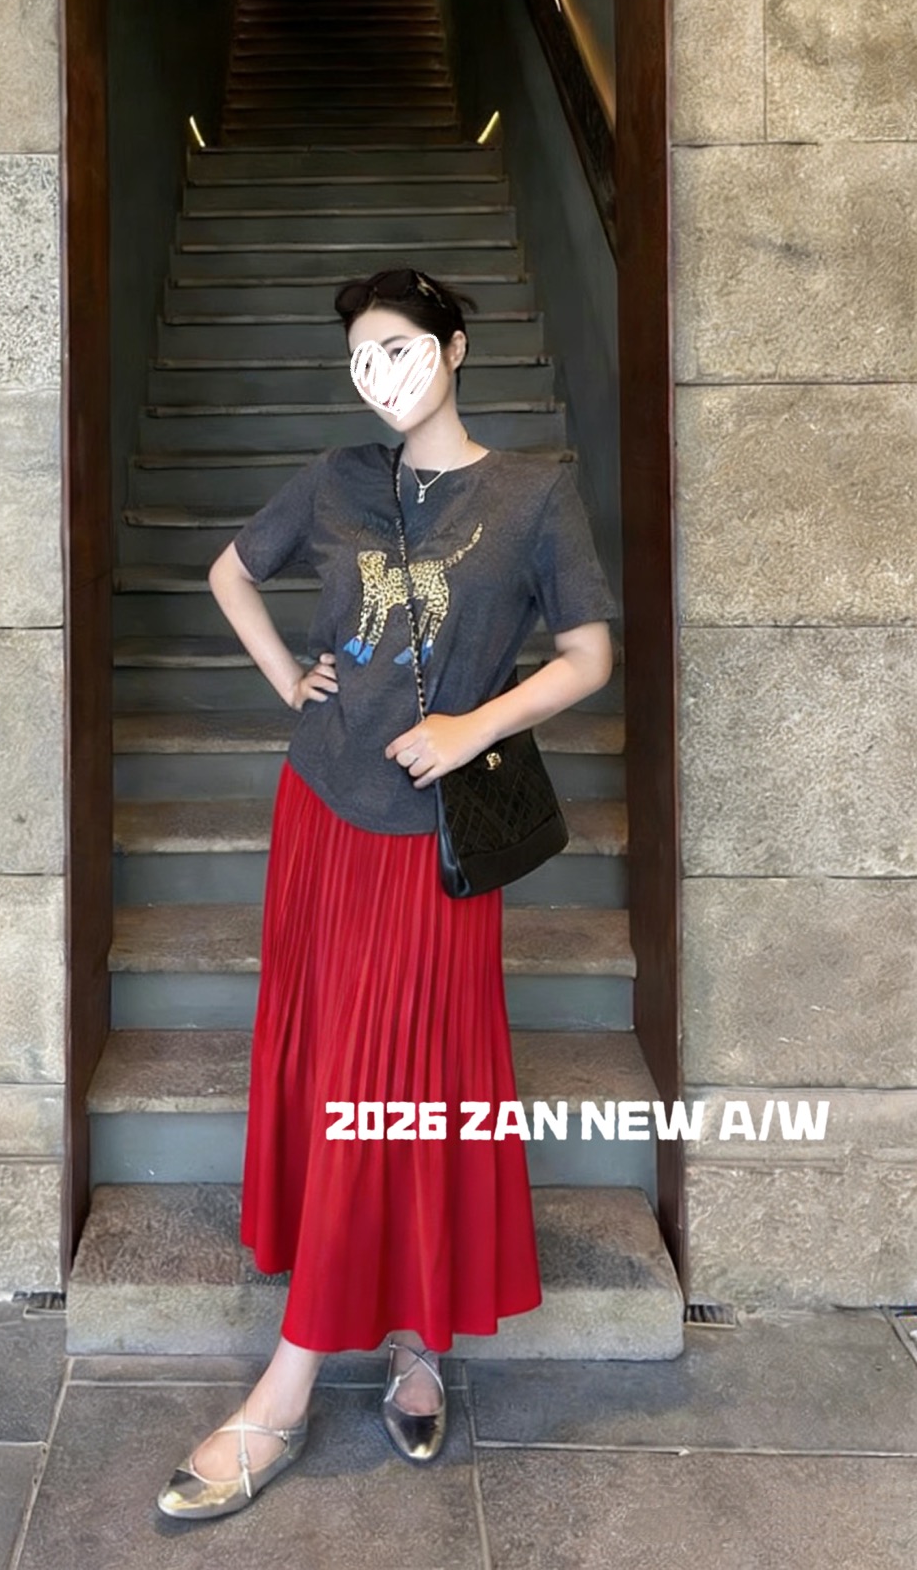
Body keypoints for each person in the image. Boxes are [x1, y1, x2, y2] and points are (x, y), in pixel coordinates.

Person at [156, 265, 619, 1521]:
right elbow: (229, 574)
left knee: (403, 1079)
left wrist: (474, 726)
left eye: (402, 347)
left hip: (431, 839)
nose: (382, 374)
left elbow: (589, 654)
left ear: (454, 349)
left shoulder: (532, 493)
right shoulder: (335, 480)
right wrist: (283, 681)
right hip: (322, 812)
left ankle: (296, 1385)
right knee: (342, 1074)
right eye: (363, 356)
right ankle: (399, 1337)